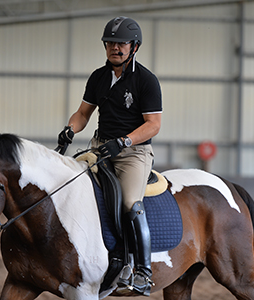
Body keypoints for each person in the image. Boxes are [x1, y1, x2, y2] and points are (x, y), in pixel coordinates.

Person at [57, 16, 162, 296]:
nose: (115, 48)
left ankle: (142, 271)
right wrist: (69, 129)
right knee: (69, 188)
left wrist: (124, 141)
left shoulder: (146, 81)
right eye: (110, 43)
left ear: (134, 47)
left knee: (130, 202)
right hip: (99, 147)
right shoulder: (99, 77)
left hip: (133, 153)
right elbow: (82, 114)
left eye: (121, 44)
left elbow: (153, 124)